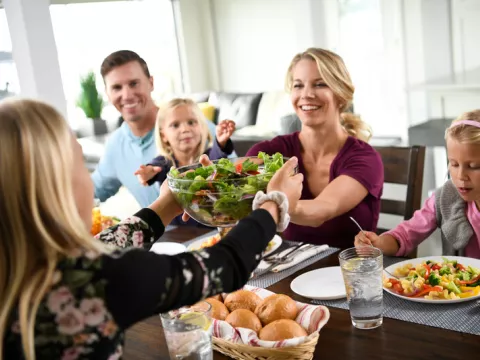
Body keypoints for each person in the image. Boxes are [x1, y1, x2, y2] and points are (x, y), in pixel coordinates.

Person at [0, 98, 303, 359]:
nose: (88, 181)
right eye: (82, 165)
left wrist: (166, 205)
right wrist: (274, 205)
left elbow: (110, 242)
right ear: (54, 188)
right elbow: (225, 266)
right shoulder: (97, 280)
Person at [246, 48, 384, 248]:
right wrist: (205, 186)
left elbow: (322, 210)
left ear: (341, 94)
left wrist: (272, 207)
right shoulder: (269, 151)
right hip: (287, 270)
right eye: (298, 85)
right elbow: (234, 181)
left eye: (320, 84)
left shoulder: (365, 158)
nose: (306, 94)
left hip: (348, 271)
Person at [92, 50, 219, 208]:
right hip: (159, 233)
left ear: (151, 83)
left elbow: (235, 178)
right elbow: (92, 192)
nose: (127, 95)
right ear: (108, 94)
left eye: (134, 83)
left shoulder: (195, 128)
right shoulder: (115, 145)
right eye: (117, 87)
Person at [355, 110, 480, 259]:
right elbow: (406, 234)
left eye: (473, 166)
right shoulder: (445, 198)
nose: (461, 176)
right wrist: (378, 243)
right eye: (454, 164)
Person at [134, 98, 236, 226]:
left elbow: (215, 159)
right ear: (164, 136)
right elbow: (155, 167)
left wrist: (220, 142)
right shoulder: (166, 162)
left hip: (210, 227)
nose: (184, 129)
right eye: (175, 125)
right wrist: (148, 172)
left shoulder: (208, 156)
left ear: (201, 127)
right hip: (179, 231)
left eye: (191, 122)